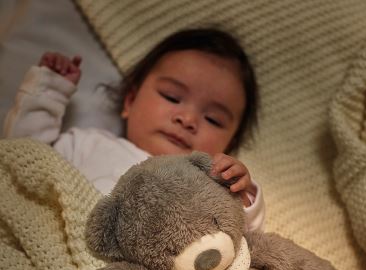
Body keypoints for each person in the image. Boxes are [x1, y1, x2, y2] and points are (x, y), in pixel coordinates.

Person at [3, 28, 265, 231]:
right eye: (172, 97)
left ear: (228, 144)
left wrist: (242, 196)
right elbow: (23, 157)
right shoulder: (88, 144)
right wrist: (48, 93)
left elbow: (238, 244)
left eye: (213, 120)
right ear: (130, 101)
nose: (187, 119)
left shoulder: (206, 186)